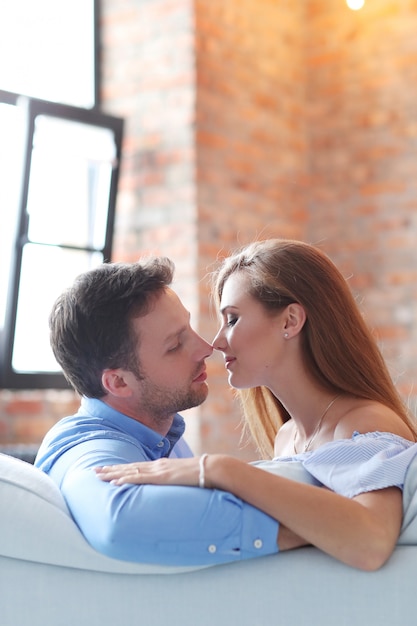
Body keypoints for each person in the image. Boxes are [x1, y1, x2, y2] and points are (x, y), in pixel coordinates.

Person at [96, 238, 417, 571]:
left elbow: (372, 542)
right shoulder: (287, 437)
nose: (217, 342)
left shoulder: (363, 424)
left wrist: (222, 470)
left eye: (232, 319)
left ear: (290, 321)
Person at [34, 257, 279, 566]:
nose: (206, 348)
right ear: (119, 382)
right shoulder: (86, 450)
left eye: (188, 328)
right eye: (176, 345)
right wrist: (308, 527)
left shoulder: (161, 432)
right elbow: (117, 523)